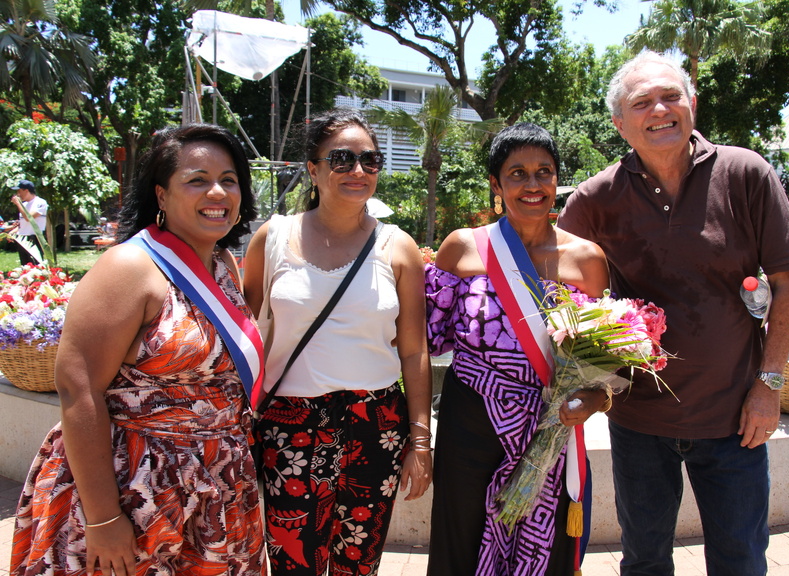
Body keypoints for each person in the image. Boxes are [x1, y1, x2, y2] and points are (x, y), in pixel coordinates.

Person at [556, 51, 789, 575]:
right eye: (641, 102)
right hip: (638, 421)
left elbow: (787, 284)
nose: (660, 110)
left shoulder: (746, 172)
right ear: (620, 124)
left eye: (671, 96)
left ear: (692, 103)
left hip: (736, 418)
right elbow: (553, 286)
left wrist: (770, 386)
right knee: (644, 561)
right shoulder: (597, 197)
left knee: (740, 561)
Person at [11, 124, 266, 576]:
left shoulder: (223, 263)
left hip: (219, 484)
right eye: (196, 179)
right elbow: (78, 389)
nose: (218, 191)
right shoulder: (129, 266)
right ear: (161, 195)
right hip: (136, 489)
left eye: (229, 180)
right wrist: (104, 517)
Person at [242, 109, 432, 576]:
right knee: (294, 561)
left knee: (358, 563)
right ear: (313, 168)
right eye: (342, 159)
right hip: (290, 422)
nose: (359, 171)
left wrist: (420, 441)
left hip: (376, 423)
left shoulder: (397, 245)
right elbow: (243, 336)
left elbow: (413, 350)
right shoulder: (274, 237)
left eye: (371, 160)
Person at [425, 123, 610, 575]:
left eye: (544, 172)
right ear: (496, 183)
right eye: (517, 173)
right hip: (470, 422)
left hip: (550, 424)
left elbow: (604, 370)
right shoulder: (463, 247)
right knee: (461, 544)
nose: (533, 185)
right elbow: (428, 340)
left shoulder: (586, 259)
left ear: (556, 179)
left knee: (543, 553)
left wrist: (592, 399)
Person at [6, 179, 49, 265]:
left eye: (19, 191)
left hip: (34, 238)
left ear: (26, 190)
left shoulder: (40, 202)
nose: (18, 194)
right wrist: (13, 232)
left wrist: (18, 204)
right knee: (25, 266)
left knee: (35, 265)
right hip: (23, 238)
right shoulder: (24, 205)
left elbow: (29, 218)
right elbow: (23, 224)